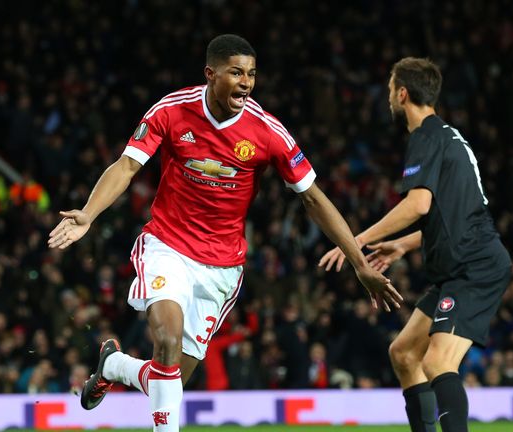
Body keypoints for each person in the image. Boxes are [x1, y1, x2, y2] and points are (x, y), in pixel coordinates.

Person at [47, 34, 401, 432]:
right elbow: (127, 166)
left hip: (221, 266)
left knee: (172, 380)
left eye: (251, 74)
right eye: (236, 73)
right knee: (167, 338)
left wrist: (359, 264)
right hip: (167, 245)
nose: (246, 82)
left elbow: (314, 199)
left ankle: (115, 365)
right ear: (210, 74)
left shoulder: (267, 132)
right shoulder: (173, 110)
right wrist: (89, 214)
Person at [320, 57, 511, 432]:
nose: (389, 97)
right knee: (405, 353)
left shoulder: (425, 136)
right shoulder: (449, 137)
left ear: (402, 93)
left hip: (473, 267)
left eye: (391, 90)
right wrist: (404, 246)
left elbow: (418, 205)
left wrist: (354, 240)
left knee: (438, 363)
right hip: (461, 265)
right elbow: (450, 215)